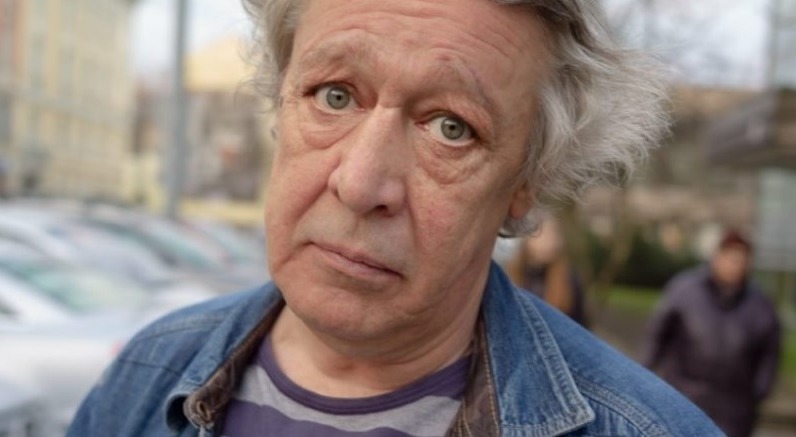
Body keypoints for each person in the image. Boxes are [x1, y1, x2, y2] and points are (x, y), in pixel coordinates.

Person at [68, 0, 721, 435]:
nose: (360, 184)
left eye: (451, 127)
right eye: (335, 95)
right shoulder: (147, 374)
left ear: (526, 182)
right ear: (279, 100)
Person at [643, 230, 781, 437]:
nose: (734, 265)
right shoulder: (684, 290)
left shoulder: (761, 305)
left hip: (734, 409)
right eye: (730, 258)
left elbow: (770, 352)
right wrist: (645, 374)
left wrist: (760, 391)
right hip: (684, 398)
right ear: (717, 257)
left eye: (740, 260)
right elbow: (657, 335)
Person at [507, 215, 588, 326]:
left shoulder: (569, 279)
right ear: (527, 239)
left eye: (554, 235)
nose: (549, 242)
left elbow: (580, 325)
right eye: (542, 235)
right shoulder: (511, 275)